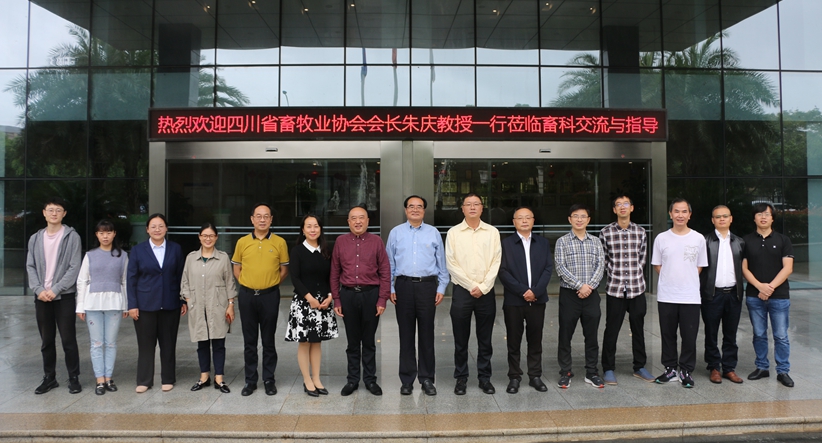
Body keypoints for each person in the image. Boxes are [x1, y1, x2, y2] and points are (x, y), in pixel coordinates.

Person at [386, 196, 449, 396]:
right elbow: (389, 264)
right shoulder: (396, 232)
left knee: (427, 334)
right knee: (405, 335)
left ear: (424, 210)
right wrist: (390, 287)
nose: (415, 210)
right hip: (403, 286)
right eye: (411, 207)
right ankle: (406, 380)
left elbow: (442, 263)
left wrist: (441, 288)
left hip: (427, 287)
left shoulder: (433, 232)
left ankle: (427, 378)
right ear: (405, 210)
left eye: (419, 207)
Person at [331, 205, 391, 396]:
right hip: (348, 295)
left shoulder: (376, 241)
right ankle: (352, 380)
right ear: (348, 222)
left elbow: (385, 271)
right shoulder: (340, 241)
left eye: (361, 218)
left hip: (370, 295)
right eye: (354, 218)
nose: (358, 221)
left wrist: (382, 299)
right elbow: (334, 272)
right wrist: (337, 299)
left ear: (367, 221)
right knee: (352, 342)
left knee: (369, 341)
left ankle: (370, 380)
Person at [445, 193, 501, 395]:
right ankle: (461, 378)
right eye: (468, 204)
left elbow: (496, 261)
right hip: (462, 291)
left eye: (476, 204)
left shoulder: (492, 232)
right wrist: (471, 286)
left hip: (486, 292)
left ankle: (484, 378)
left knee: (485, 339)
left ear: (482, 207)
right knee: (461, 340)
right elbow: (451, 263)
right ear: (462, 208)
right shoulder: (454, 233)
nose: (472, 207)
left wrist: (483, 287)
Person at [232, 202, 290, 396]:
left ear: (271, 220)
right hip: (247, 296)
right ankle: (250, 380)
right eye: (259, 216)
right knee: (249, 341)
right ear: (252, 219)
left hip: (269, 296)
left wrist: (271, 284)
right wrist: (247, 283)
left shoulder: (279, 242)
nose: (262, 219)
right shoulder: (242, 242)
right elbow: (236, 267)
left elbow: (284, 269)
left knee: (268, 340)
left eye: (266, 216)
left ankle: (268, 379)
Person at [26, 197, 83, 394]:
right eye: (50, 210)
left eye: (58, 210)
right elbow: (30, 266)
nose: (54, 213)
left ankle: (73, 377)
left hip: (64, 296)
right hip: (41, 297)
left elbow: (74, 267)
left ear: (64, 214)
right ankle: (49, 377)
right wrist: (38, 289)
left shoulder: (72, 237)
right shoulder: (35, 238)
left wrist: (56, 289)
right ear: (44, 213)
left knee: (68, 340)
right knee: (47, 340)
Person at [651, 198, 707, 388]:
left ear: (689, 215)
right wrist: (671, 278)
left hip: (690, 296)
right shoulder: (661, 238)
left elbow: (700, 266)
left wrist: (685, 279)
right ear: (670, 214)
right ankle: (670, 369)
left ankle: (686, 370)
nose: (680, 215)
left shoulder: (698, 238)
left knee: (689, 336)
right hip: (667, 295)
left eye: (684, 211)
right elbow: (657, 265)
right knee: (667, 334)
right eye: (676, 211)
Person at [127, 213, 186, 393]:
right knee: (146, 345)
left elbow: (181, 276)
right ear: (147, 230)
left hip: (170, 303)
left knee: (168, 343)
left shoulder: (175, 249)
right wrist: (132, 304)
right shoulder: (138, 250)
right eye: (153, 226)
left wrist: (182, 299)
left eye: (161, 226)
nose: (157, 229)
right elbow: (131, 279)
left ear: (166, 228)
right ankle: (144, 380)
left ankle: (168, 378)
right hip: (145, 304)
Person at [599, 195, 653, 385]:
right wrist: (614, 274)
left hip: (636, 288)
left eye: (626, 204)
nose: (622, 207)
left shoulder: (640, 232)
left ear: (632, 208)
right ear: (614, 210)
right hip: (615, 288)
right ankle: (608, 368)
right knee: (611, 330)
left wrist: (633, 276)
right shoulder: (605, 232)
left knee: (638, 329)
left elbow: (642, 258)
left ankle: (639, 366)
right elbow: (604, 259)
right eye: (618, 205)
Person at [498, 206, 553, 394]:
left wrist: (535, 291)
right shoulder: (506, 244)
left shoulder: (542, 243)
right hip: (514, 301)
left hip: (537, 300)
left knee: (535, 340)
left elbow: (548, 269)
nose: (524, 221)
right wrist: (523, 291)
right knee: (513, 341)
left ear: (533, 221)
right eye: (520, 218)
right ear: (514, 222)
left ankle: (535, 375)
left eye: (528, 217)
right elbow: (502, 271)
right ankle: (514, 377)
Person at [285, 214, 338, 397]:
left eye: (316, 226)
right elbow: (295, 278)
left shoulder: (326, 251)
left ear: (320, 229)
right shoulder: (297, 251)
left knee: (317, 341)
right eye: (309, 226)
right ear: (303, 230)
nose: (313, 230)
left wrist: (330, 296)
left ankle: (316, 379)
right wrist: (309, 298)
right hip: (304, 303)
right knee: (304, 342)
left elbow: (332, 275)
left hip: (323, 303)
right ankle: (307, 380)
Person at [742, 202, 794, 387]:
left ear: (772, 218)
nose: (763, 217)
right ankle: (762, 367)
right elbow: (744, 268)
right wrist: (759, 287)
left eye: (767, 214)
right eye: (759, 214)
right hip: (754, 296)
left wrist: (769, 288)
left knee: (781, 335)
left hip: (779, 296)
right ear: (754, 218)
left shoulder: (783, 240)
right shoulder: (746, 241)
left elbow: (788, 268)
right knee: (759, 334)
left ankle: (783, 371)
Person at [554, 204, 605, 389]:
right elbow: (560, 267)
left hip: (591, 294)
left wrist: (589, 287)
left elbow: (600, 265)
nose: (579, 219)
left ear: (588, 220)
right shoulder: (562, 242)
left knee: (591, 336)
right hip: (570, 295)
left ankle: (592, 372)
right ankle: (565, 372)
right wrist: (580, 286)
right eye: (575, 216)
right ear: (570, 219)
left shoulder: (596, 241)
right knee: (565, 335)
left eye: (583, 216)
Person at [181, 223, 236, 394]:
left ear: (216, 237)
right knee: (202, 343)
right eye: (204, 235)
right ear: (199, 237)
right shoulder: (191, 258)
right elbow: (185, 281)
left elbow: (230, 282)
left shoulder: (223, 258)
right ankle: (204, 376)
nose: (208, 239)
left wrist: (231, 305)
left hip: (218, 306)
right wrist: (189, 300)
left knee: (219, 343)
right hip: (198, 307)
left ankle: (219, 378)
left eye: (211, 236)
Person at [75, 219, 129, 395]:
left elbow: (125, 281)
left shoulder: (123, 256)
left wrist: (127, 305)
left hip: (115, 302)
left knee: (111, 343)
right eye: (101, 233)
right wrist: (80, 306)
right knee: (97, 343)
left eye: (108, 232)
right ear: (97, 235)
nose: (105, 236)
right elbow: (82, 280)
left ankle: (108, 378)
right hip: (93, 303)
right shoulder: (90, 255)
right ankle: (99, 379)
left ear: (114, 234)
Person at [699, 205, 745, 384]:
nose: (722, 219)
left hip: (733, 294)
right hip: (712, 294)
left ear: (731, 219)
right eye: (718, 217)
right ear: (713, 220)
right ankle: (714, 367)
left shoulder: (739, 242)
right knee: (711, 333)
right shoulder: (705, 241)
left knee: (731, 333)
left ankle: (729, 368)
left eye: (725, 216)